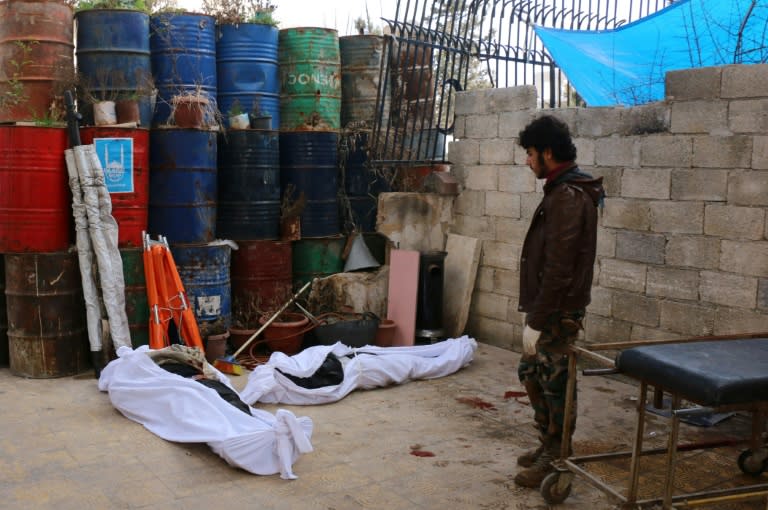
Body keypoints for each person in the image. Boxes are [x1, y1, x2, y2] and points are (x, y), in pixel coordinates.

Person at [513, 115, 604, 488]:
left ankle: (558, 455)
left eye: (531, 153)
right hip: (550, 306)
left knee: (556, 381)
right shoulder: (561, 189)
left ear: (548, 153)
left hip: (557, 309)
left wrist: (537, 319)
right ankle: (549, 442)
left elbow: (559, 267)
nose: (527, 161)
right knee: (532, 372)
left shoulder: (567, 196)